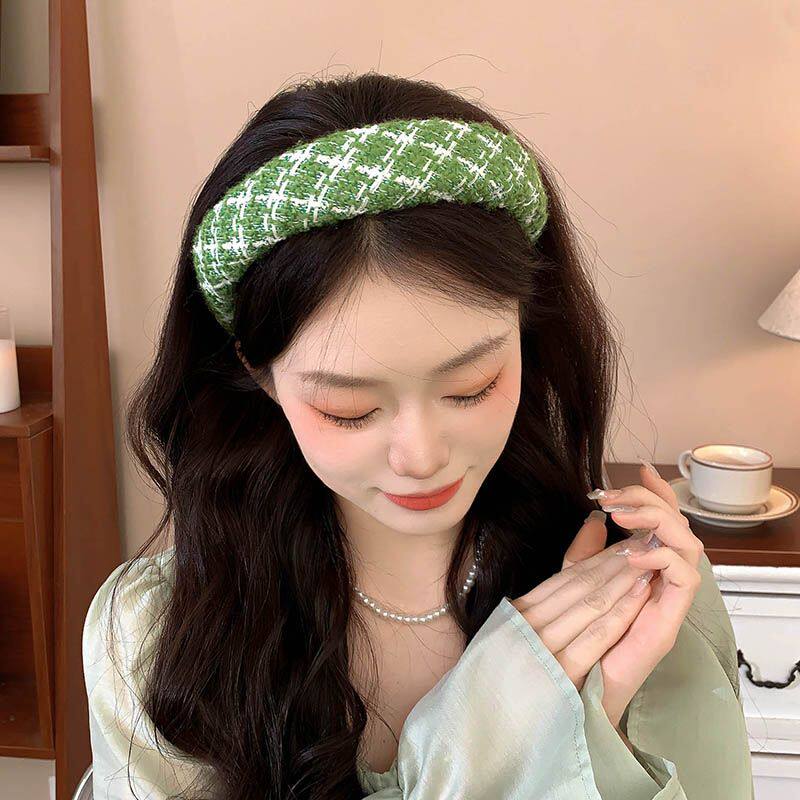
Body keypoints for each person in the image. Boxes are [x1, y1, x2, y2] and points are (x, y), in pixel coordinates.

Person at [81, 72, 754, 799]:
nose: (422, 456)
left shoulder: (638, 596)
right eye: (349, 409)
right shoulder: (155, 638)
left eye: (472, 387)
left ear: (526, 334)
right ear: (258, 372)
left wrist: (602, 725)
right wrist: (486, 737)